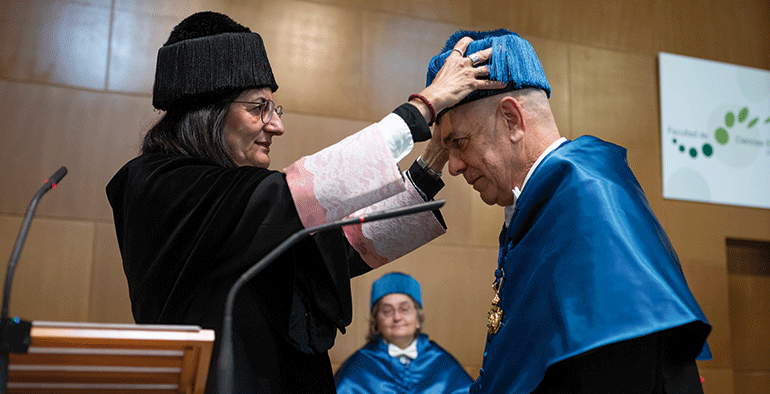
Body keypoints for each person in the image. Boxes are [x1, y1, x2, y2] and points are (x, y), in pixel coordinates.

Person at [105, 11, 503, 394]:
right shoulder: (157, 186)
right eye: (259, 107)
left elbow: (340, 245)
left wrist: (430, 164)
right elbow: (295, 195)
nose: (276, 125)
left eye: (273, 108)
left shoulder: (238, 204)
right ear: (207, 112)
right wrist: (424, 105)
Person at [424, 29, 713, 393]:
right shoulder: (550, 203)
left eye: (458, 142)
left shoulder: (589, 205)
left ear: (512, 119)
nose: (452, 166)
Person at [334, 272, 473, 393]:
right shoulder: (358, 366)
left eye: (405, 309)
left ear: (418, 318)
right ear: (376, 321)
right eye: (387, 311)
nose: (397, 317)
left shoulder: (442, 362)